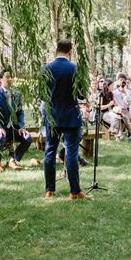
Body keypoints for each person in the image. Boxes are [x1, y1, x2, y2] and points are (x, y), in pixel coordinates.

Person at [43, 39, 87, 199]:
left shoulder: (46, 69)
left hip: (52, 116)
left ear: (57, 50)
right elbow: (81, 94)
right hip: (70, 116)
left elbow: (42, 95)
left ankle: (49, 190)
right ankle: (74, 191)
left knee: (49, 151)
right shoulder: (74, 68)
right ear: (70, 51)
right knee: (71, 152)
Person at [0, 69, 32, 171]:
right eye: (7, 76)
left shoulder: (17, 94)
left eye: (11, 76)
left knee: (28, 138)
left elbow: (20, 112)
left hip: (13, 127)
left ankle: (13, 160)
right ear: (1, 79)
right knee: (0, 136)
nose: (10, 79)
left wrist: (21, 127)